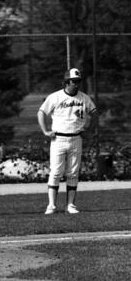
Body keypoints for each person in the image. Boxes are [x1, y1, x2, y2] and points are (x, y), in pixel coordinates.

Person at [37, 68, 97, 214]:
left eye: (78, 81)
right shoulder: (55, 97)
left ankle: (70, 205)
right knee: (56, 172)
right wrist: (45, 131)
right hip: (58, 138)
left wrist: (89, 130)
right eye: (74, 81)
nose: (77, 84)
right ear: (66, 82)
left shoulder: (84, 98)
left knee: (73, 173)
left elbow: (95, 113)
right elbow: (41, 112)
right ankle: (51, 205)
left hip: (76, 138)